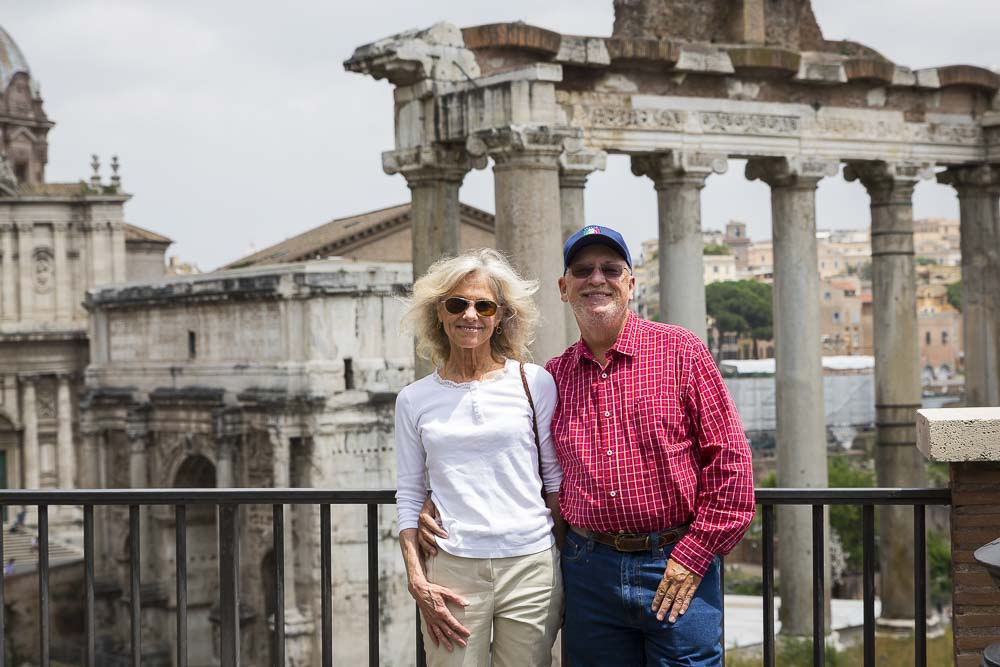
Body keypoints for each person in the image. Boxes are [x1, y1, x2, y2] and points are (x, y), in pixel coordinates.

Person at [420, 226, 755, 666]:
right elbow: (514, 459)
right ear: (564, 288)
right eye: (582, 270)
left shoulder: (681, 351)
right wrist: (436, 495)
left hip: (674, 561)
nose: (596, 278)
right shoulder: (553, 376)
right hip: (587, 568)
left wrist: (693, 556)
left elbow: (730, 462)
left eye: (611, 269)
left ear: (630, 284)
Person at [395, 248, 565, 667]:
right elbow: (409, 494)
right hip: (451, 569)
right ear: (439, 312)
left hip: (531, 567)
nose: (470, 315)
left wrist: (558, 558)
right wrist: (417, 579)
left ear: (500, 315)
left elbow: (556, 483)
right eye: (457, 303)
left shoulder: (534, 382)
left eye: (483, 305)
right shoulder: (413, 399)